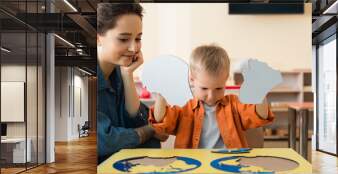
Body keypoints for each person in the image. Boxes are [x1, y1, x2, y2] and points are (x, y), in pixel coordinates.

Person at [149, 44, 275, 149]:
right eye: (204, 88)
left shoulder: (234, 105)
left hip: (230, 165)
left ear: (226, 80)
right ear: (192, 80)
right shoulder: (183, 106)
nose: (211, 96)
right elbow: (160, 121)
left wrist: (260, 91)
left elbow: (260, 116)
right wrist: (162, 92)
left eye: (219, 88)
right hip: (192, 167)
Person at [97, 3, 166, 164]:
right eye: (123, 39)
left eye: (138, 38)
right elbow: (105, 140)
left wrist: (128, 75)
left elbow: (136, 121)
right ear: (98, 37)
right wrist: (149, 130)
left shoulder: (119, 73)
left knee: (151, 143)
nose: (134, 47)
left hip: (121, 165)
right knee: (149, 140)